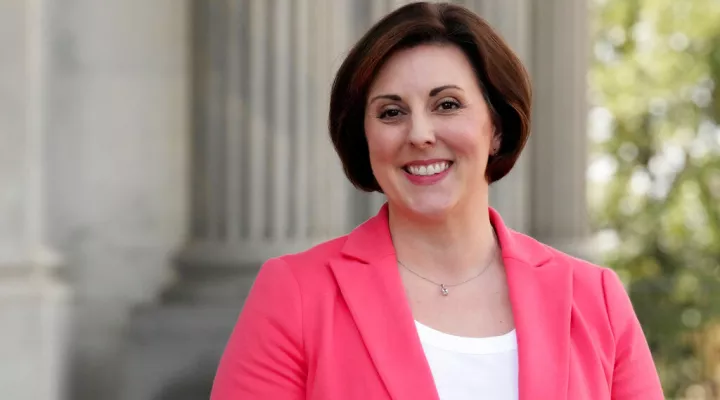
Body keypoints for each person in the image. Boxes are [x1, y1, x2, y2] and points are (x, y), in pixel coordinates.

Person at [210, 2, 664, 399]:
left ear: (497, 126)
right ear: (364, 137)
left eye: (447, 105)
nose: (420, 134)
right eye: (391, 112)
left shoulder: (595, 299)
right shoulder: (296, 294)